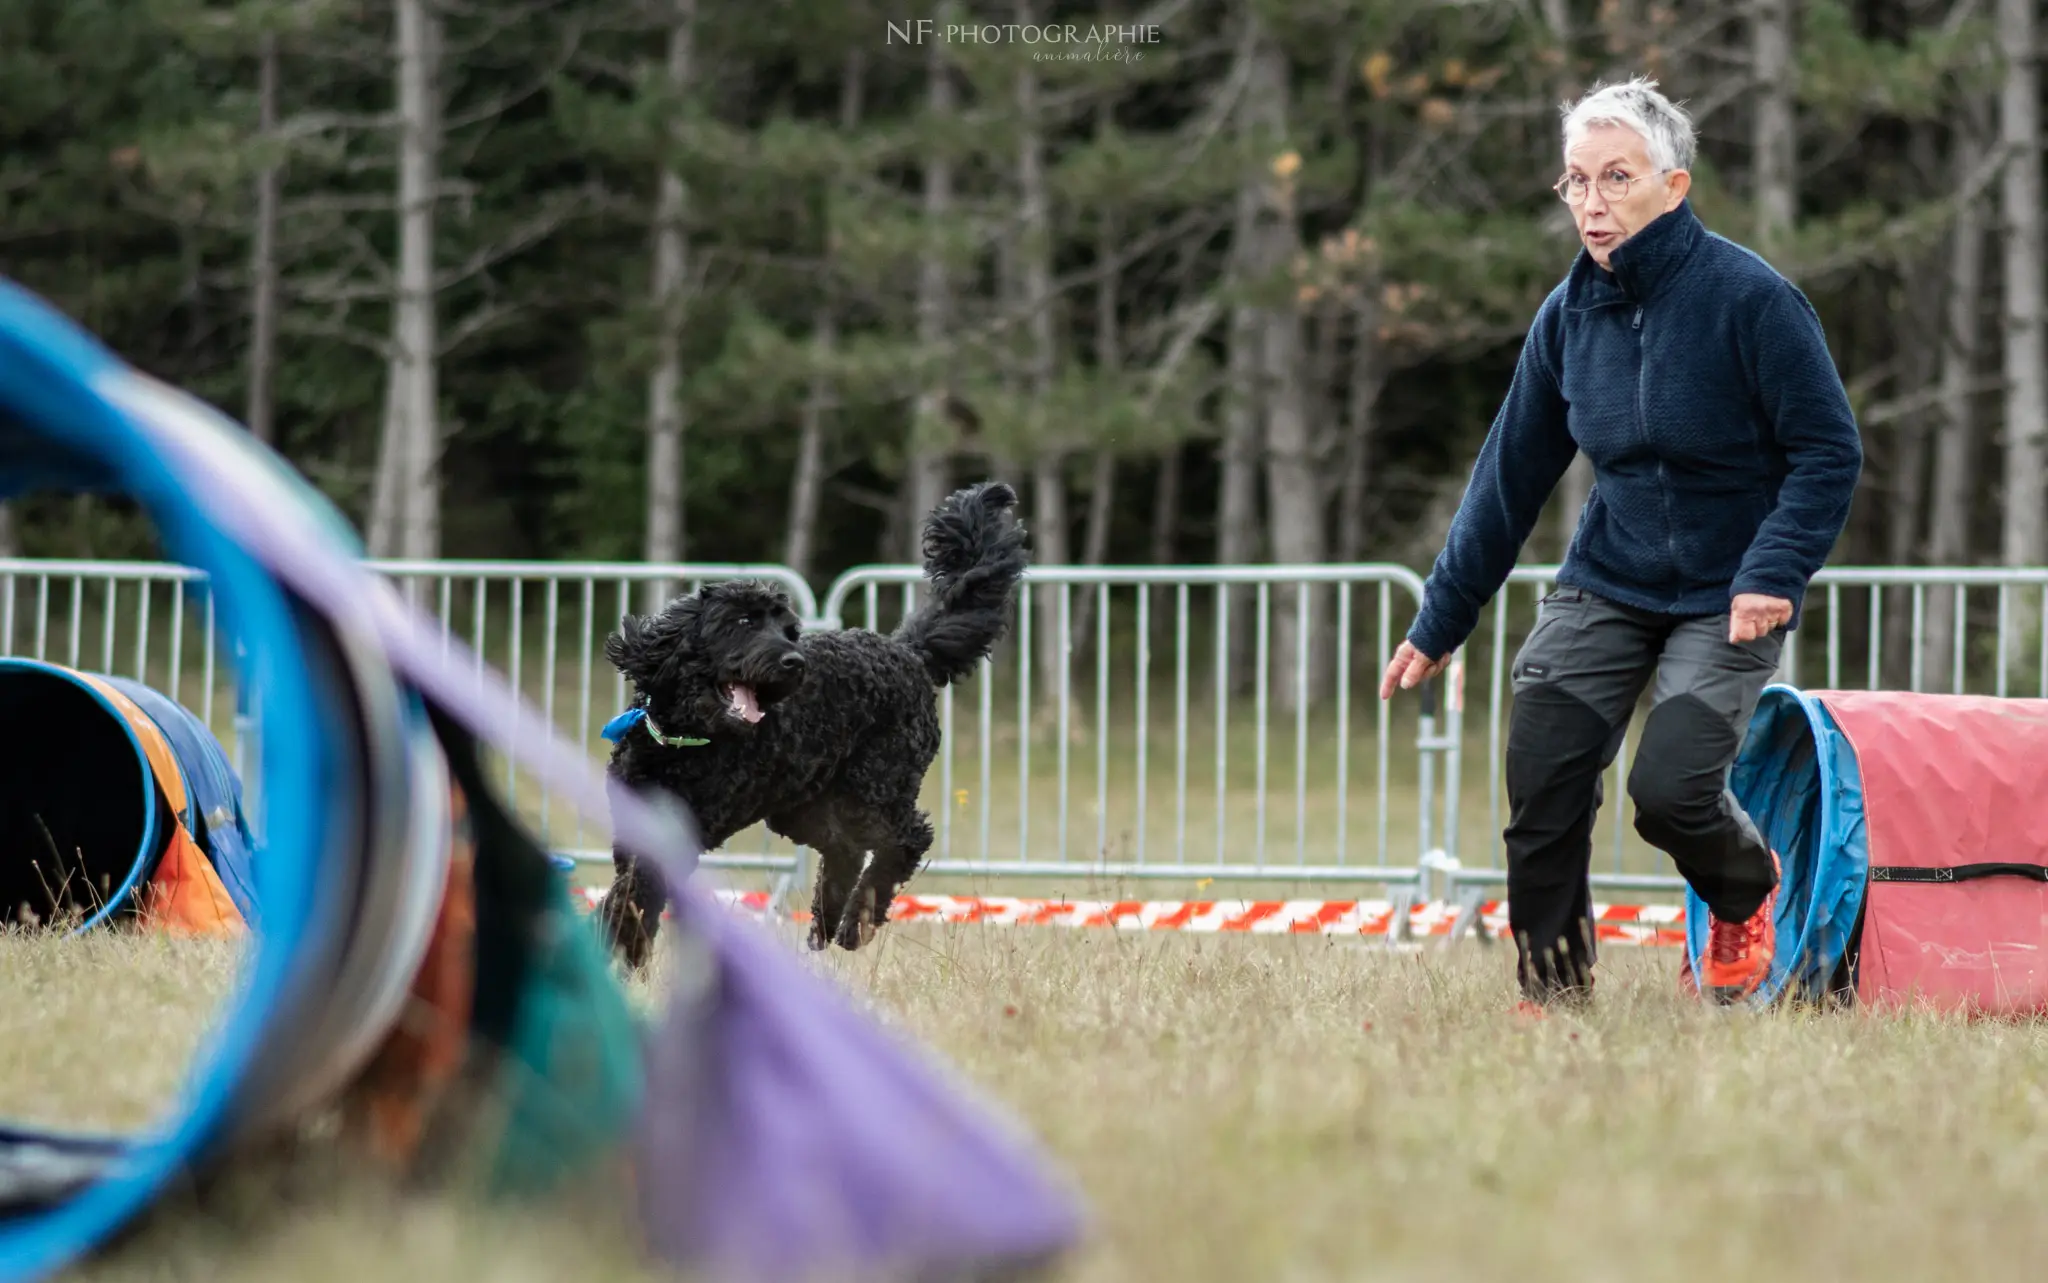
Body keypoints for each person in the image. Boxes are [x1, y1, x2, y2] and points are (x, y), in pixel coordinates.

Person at [1377, 78, 1863, 1011]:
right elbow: (1507, 479)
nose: (1593, 204)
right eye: (1575, 183)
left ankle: (1743, 888)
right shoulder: (1567, 319)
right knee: (1544, 765)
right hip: (1610, 577)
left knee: (1672, 789)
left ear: (1672, 186)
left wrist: (1773, 568)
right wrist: (1440, 619)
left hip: (1730, 587)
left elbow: (1828, 450)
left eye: (1616, 178)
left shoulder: (1752, 299)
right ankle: (1555, 992)